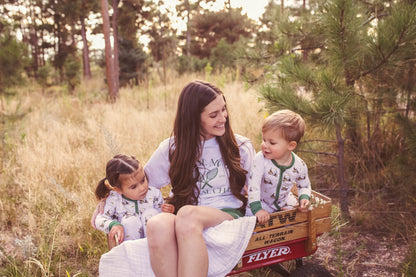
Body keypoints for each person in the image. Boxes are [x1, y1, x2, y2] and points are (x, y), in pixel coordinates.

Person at [142, 80, 255, 277]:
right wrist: (107, 200)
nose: (223, 118)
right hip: (185, 214)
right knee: (156, 224)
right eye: (213, 115)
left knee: (188, 214)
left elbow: (258, 187)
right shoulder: (173, 148)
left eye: (223, 110)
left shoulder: (241, 146)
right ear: (193, 118)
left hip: (226, 212)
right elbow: (144, 184)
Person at [247, 109, 311, 225]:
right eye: (264, 140)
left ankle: (289, 240)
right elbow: (253, 186)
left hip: (284, 202)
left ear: (290, 145)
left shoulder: (299, 165)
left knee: (298, 218)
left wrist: (304, 198)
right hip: (261, 202)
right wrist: (257, 209)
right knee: (252, 223)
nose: (264, 145)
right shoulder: (261, 160)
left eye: (272, 143)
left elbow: (304, 185)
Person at [94, 154, 175, 245]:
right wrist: (113, 225)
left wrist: (167, 212)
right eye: (133, 187)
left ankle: (154, 252)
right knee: (130, 221)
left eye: (143, 180)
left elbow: (161, 218)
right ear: (118, 190)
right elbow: (99, 220)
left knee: (151, 214)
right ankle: (131, 255)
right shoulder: (114, 199)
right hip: (129, 246)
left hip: (154, 245)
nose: (142, 188)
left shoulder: (154, 194)